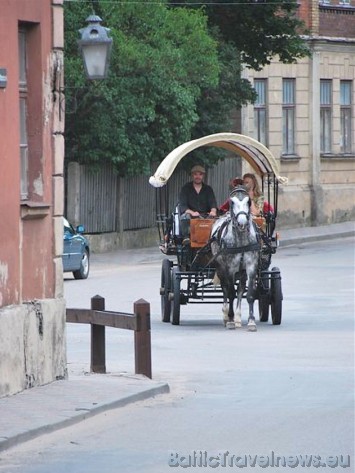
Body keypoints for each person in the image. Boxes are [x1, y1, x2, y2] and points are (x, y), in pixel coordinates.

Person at [179, 165, 217, 239]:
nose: (198, 176)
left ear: (203, 176)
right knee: (184, 217)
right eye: (195, 174)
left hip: (205, 216)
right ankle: (186, 238)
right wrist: (192, 213)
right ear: (192, 175)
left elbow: (213, 203)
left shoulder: (208, 189)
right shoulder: (185, 188)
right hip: (191, 217)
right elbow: (183, 206)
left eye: (200, 174)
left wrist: (213, 211)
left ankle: (212, 239)